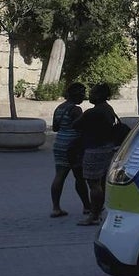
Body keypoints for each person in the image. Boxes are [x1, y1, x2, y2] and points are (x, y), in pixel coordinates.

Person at [72, 83, 121, 225]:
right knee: (101, 182)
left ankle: (93, 215)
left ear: (99, 95)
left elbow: (75, 124)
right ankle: (99, 210)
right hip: (108, 148)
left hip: (94, 149)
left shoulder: (92, 112)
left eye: (93, 93)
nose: (90, 95)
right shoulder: (108, 109)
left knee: (93, 184)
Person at [49, 83, 92, 218]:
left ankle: (56, 208)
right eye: (82, 93)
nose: (83, 96)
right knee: (79, 177)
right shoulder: (76, 110)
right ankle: (87, 207)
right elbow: (81, 127)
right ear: (75, 94)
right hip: (73, 146)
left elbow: (55, 128)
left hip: (59, 144)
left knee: (59, 175)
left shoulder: (59, 108)